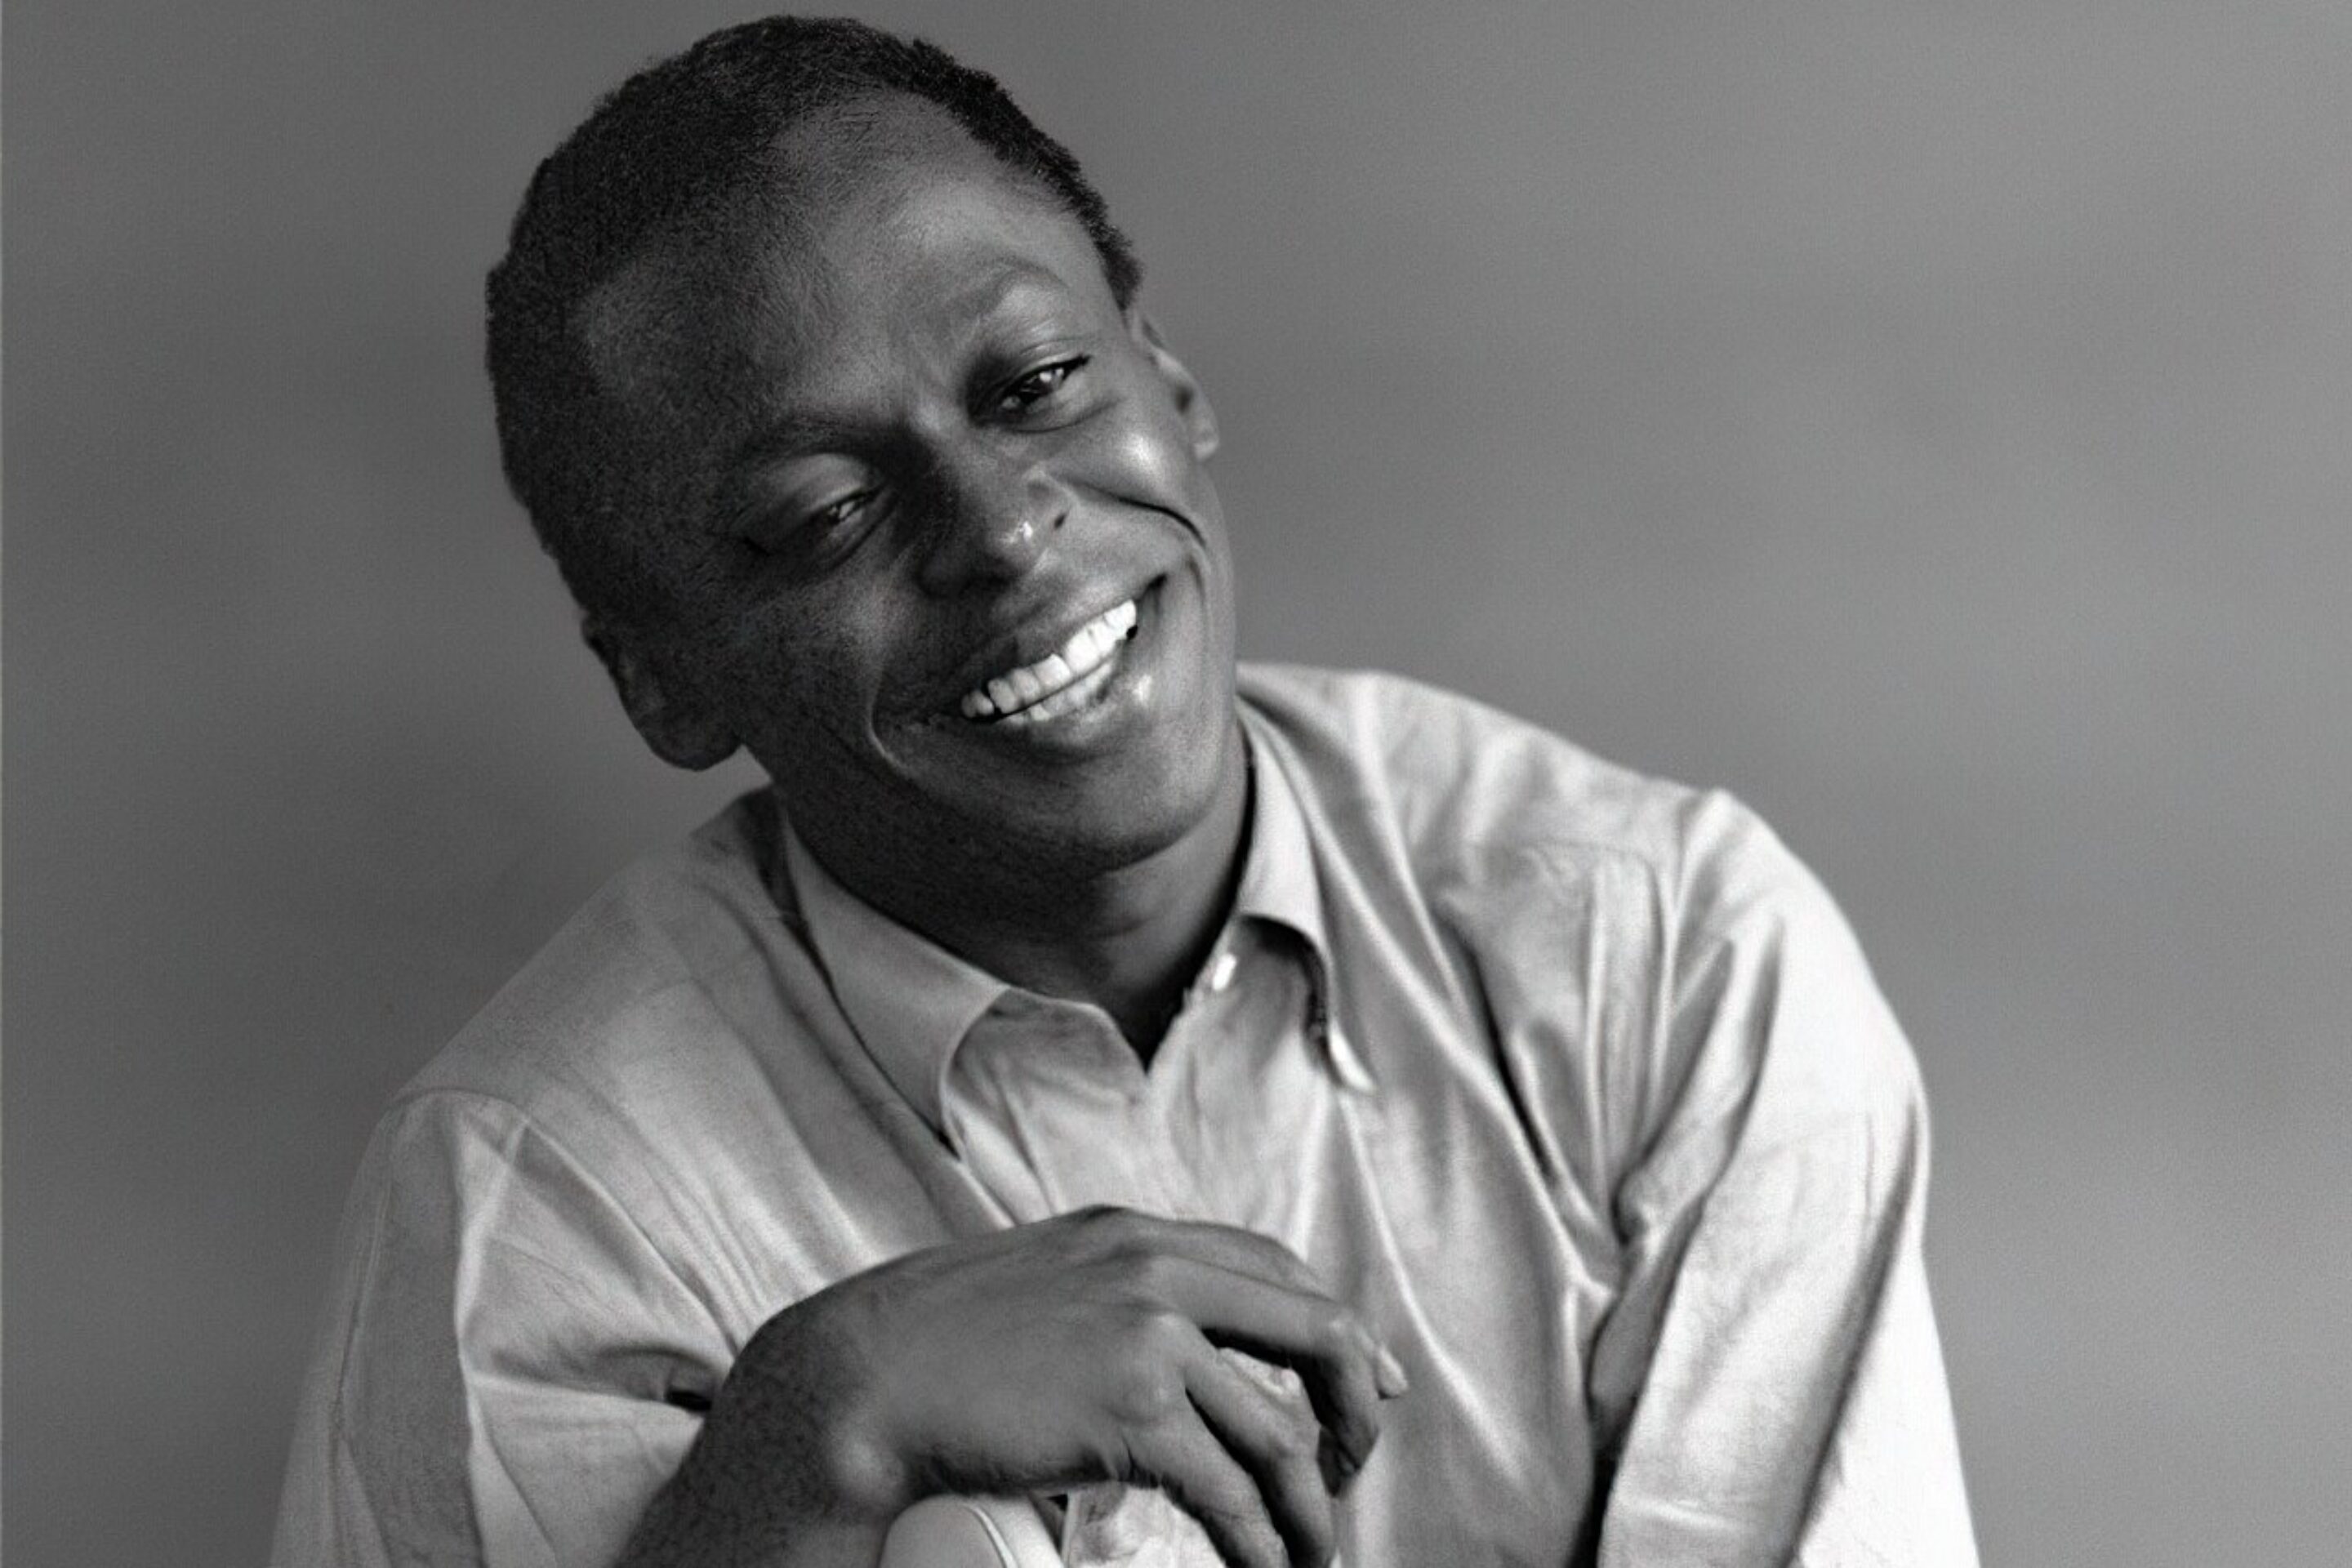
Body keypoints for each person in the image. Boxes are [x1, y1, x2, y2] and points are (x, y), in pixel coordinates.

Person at [273, 16, 1978, 1568]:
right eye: (820, 517)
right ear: (664, 678)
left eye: (1035, 389)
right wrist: (802, 1456)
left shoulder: (1661, 954)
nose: (1007, 529)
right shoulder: (535, 1190)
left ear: (1171, 378)